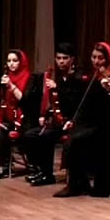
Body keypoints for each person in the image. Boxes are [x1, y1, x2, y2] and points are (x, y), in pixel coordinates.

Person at [54, 42, 110, 198]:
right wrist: (74, 121)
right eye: (94, 57)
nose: (96, 61)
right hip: (96, 122)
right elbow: (87, 104)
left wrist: (108, 91)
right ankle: (79, 182)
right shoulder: (95, 75)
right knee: (74, 135)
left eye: (100, 58)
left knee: (77, 140)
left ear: (107, 59)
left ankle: (77, 184)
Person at [20, 42, 84, 186]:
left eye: (65, 58)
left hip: (73, 122)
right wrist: (47, 115)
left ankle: (48, 175)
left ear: (72, 59)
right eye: (59, 58)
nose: (61, 61)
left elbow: (76, 103)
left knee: (45, 136)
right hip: (59, 120)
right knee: (30, 134)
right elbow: (56, 103)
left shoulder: (78, 78)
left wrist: (58, 89)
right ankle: (39, 170)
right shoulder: (60, 77)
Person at [0, 49, 39, 179]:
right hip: (10, 116)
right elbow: (6, 103)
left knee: (0, 131)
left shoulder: (30, 78)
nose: (11, 64)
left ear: (21, 62)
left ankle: (5, 166)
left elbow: (25, 101)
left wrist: (11, 85)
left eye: (15, 61)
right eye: (9, 61)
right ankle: (3, 163)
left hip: (25, 118)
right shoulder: (7, 77)